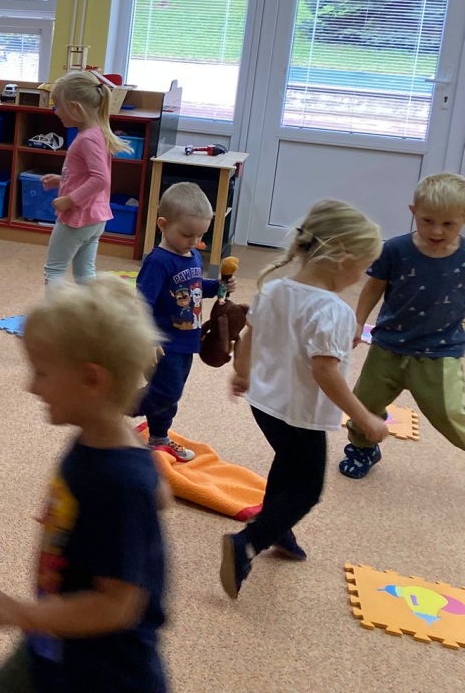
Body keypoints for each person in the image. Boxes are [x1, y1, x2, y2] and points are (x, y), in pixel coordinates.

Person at [0, 277, 169, 693]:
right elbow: (162, 493)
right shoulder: (104, 435)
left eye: (41, 372)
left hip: (104, 674)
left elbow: (119, 604)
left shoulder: (119, 481)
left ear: (92, 380)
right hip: (55, 644)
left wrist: (18, 612)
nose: (31, 385)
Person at [222, 199, 388, 599]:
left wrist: (242, 372)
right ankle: (247, 543)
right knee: (307, 488)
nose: (361, 276)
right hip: (300, 413)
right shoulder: (332, 309)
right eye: (363, 267)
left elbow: (250, 336)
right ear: (342, 259)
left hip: (265, 404)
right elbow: (325, 372)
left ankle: (279, 530)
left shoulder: (274, 288)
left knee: (288, 464)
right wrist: (364, 418)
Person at [340, 172, 465, 478]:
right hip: (389, 346)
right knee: (364, 403)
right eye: (427, 221)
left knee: (450, 412)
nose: (436, 230)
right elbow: (373, 287)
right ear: (413, 212)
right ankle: (362, 449)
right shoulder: (395, 249)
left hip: (440, 351)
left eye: (448, 224)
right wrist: (358, 321)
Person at [134, 183, 235, 462]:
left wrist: (218, 286)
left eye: (200, 235)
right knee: (166, 392)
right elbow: (142, 301)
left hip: (187, 340)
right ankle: (119, 405)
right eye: (187, 234)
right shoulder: (158, 261)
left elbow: (196, 286)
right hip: (163, 343)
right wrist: (147, 337)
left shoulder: (193, 255)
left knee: (173, 393)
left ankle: (158, 437)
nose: (194, 241)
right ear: (163, 225)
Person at [40, 71, 129, 285]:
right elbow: (88, 175)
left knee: (54, 270)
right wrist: (61, 181)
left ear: (75, 108)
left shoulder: (87, 139)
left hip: (78, 217)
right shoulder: (97, 132)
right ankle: (89, 307)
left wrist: (69, 200)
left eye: (58, 106)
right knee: (84, 274)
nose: (56, 111)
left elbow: (100, 179)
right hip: (95, 217)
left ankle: (54, 309)